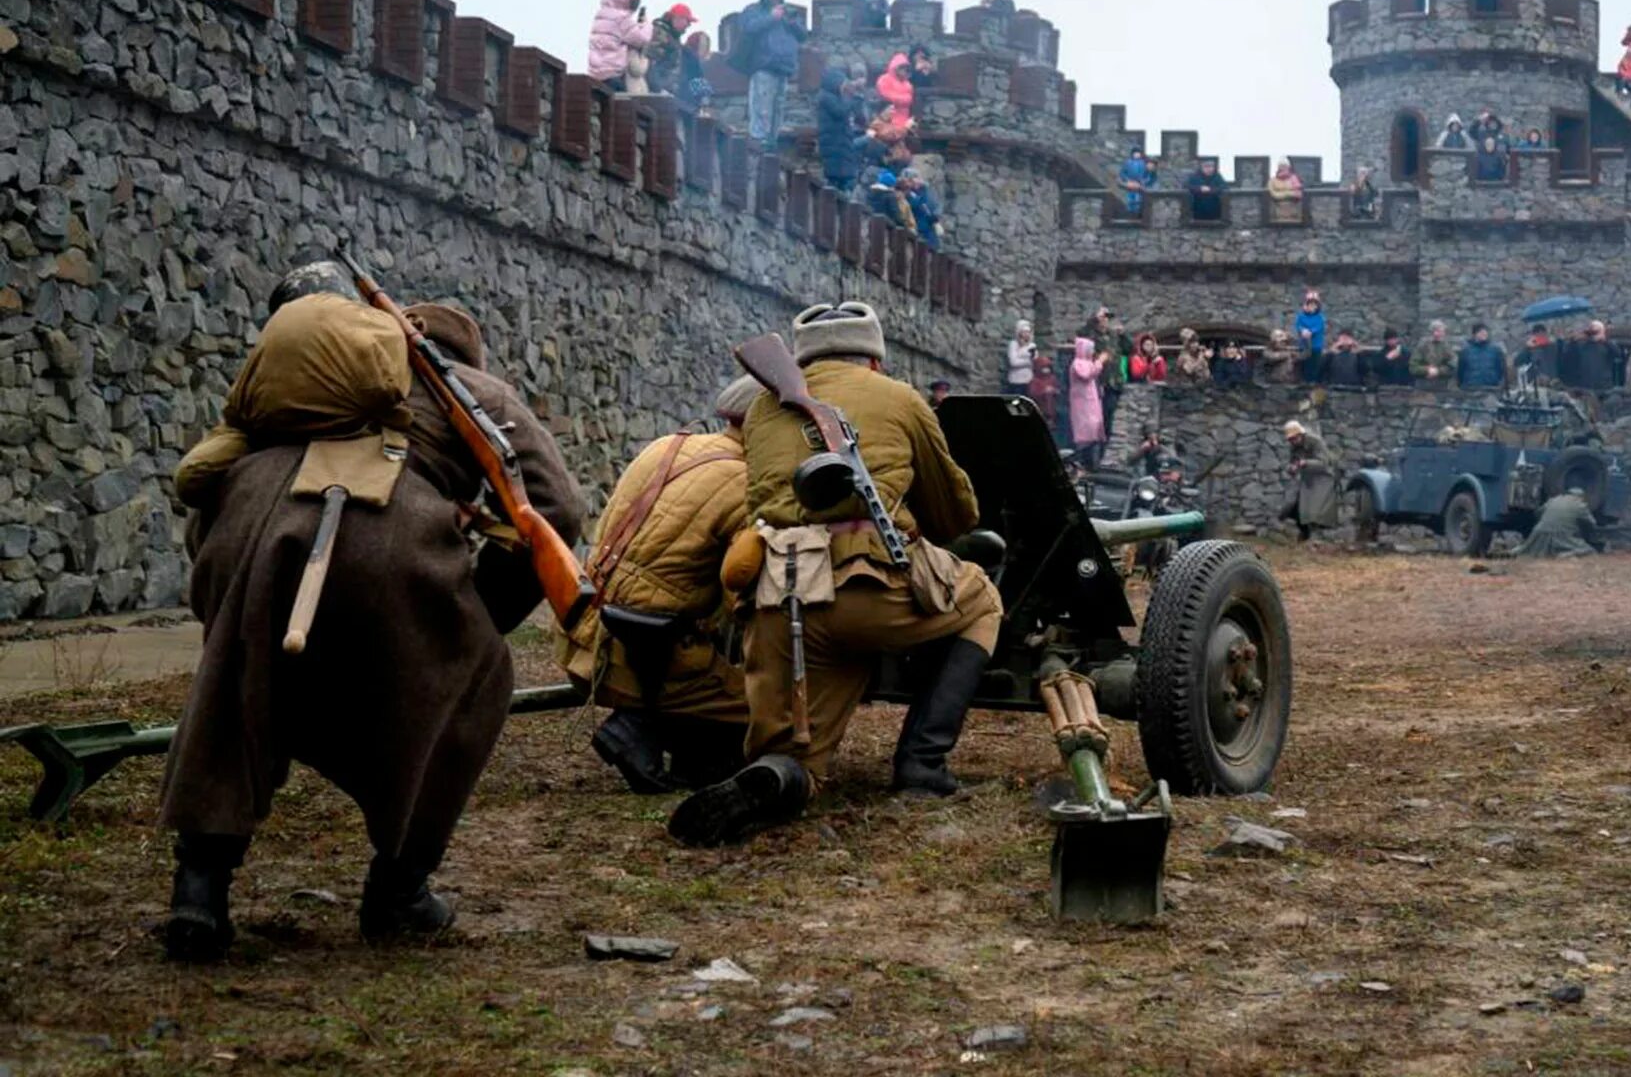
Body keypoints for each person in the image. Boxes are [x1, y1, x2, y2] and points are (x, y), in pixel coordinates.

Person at [158, 264, 585, 961]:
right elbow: (557, 509)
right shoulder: (471, 390)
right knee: (477, 683)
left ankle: (198, 893)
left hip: (250, 531)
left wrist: (225, 585)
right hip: (389, 540)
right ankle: (399, 889)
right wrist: (477, 615)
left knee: (231, 689)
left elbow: (206, 484)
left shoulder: (283, 383)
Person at [668, 304, 1003, 846]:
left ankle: (781, 776)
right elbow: (956, 514)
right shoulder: (900, 398)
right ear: (873, 359)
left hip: (782, 602)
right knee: (982, 599)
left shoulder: (759, 410)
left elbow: (759, 500)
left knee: (796, 758)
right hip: (872, 590)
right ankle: (922, 764)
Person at [561, 377, 761, 796]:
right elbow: (742, 600)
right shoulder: (746, 487)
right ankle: (639, 727)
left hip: (584, 637)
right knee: (772, 703)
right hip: (639, 663)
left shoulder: (668, 444)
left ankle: (672, 741)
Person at [738, 0, 806, 145]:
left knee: (778, 110)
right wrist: (771, 18)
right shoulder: (754, 10)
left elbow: (803, 35)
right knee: (762, 109)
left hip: (783, 68)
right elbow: (748, 28)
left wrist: (791, 22)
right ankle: (758, 143)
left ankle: (771, 143)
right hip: (763, 66)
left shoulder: (788, 13)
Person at [587, 0, 654, 93]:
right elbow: (642, 39)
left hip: (595, 74)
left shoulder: (600, 16)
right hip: (612, 74)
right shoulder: (622, 20)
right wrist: (647, 25)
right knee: (620, 107)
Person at [1280, 421, 1339, 542]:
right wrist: (1292, 468)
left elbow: (1324, 463)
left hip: (1323, 479)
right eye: (1290, 439)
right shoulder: (1295, 447)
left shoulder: (1315, 442)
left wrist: (1306, 463)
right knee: (1296, 508)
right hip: (1308, 479)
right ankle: (1304, 534)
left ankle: (1316, 537)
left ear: (1300, 435)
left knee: (1316, 511)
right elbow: (1292, 462)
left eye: (1293, 438)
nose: (1292, 441)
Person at [1514, 488, 1602, 559]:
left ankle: (1513, 551)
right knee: (1589, 551)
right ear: (1581, 497)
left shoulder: (1553, 500)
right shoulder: (1580, 505)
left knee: (1526, 550)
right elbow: (1592, 523)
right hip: (1562, 536)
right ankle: (1565, 555)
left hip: (1539, 533)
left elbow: (1537, 513)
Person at [817, 68, 866, 193]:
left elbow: (860, 117)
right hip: (833, 142)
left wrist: (857, 97)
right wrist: (852, 97)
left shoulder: (838, 98)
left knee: (844, 178)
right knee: (834, 178)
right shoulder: (826, 97)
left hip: (841, 142)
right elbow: (840, 112)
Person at [1068, 336, 1110, 466]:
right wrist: (1100, 362)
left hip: (1090, 402)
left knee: (1094, 430)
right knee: (1085, 431)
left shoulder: (1087, 362)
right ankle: (1082, 461)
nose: (1092, 352)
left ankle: (1092, 462)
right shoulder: (1078, 363)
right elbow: (1087, 374)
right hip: (1082, 403)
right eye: (1090, 349)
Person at [1562, 321, 1620, 393]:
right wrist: (1574, 339)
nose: (1593, 334)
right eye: (1591, 331)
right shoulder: (1582, 345)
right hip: (1586, 387)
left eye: (1596, 331)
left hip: (1604, 386)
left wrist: (1604, 340)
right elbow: (1568, 357)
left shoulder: (1607, 345)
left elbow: (1618, 353)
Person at [1457, 323, 1507, 389]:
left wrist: (1495, 379)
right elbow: (1461, 369)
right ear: (1475, 334)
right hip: (1471, 387)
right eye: (1481, 332)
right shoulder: (1466, 351)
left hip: (1491, 386)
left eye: (1485, 332)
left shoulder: (1495, 350)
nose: (1484, 334)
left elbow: (1499, 368)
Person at [875, 53, 916, 131]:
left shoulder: (907, 84)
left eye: (906, 68)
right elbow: (885, 94)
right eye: (902, 67)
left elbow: (910, 99)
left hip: (904, 121)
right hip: (888, 119)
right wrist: (903, 99)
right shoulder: (884, 79)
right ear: (896, 67)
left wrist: (903, 99)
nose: (905, 70)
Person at [1294, 288, 1328, 382]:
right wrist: (1302, 330)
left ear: (1317, 306)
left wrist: (1310, 332)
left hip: (1315, 347)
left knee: (1314, 366)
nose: (1312, 306)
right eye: (1310, 304)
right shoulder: (1301, 316)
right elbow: (1298, 326)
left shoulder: (1320, 317)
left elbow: (1318, 327)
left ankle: (1313, 383)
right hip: (1303, 346)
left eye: (1314, 304)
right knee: (1303, 366)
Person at [1410, 320, 1456, 387]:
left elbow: (1453, 364)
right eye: (1440, 331)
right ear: (1433, 332)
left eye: (1443, 332)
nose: (1442, 334)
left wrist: (1438, 371)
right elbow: (1413, 367)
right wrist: (1427, 370)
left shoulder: (1446, 346)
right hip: (1423, 384)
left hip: (1441, 385)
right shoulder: (1422, 346)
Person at [1026, 354, 1061, 430]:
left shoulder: (1052, 378)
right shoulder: (1035, 381)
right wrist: (1043, 391)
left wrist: (1054, 391)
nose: (1046, 370)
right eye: (1043, 368)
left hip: (1052, 405)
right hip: (1040, 405)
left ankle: (1051, 421)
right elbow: (1032, 393)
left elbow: (1058, 390)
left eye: (1047, 367)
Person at [1268, 159, 1305, 223]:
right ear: (1278, 167)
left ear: (1288, 167)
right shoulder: (1272, 181)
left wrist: (1285, 193)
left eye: (1285, 166)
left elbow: (1299, 194)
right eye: (1281, 166)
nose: (1283, 168)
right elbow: (1273, 194)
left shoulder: (1294, 179)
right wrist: (1287, 193)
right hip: (1279, 213)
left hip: (1293, 212)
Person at [1118, 148, 1152, 217]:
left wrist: (1142, 181)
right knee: (1130, 198)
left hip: (1139, 183)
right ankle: (1130, 212)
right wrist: (1127, 180)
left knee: (1138, 198)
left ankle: (1137, 212)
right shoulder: (1128, 162)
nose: (1137, 155)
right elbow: (1122, 173)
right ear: (1133, 154)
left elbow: (1147, 174)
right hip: (1130, 183)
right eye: (1136, 153)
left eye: (1138, 153)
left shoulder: (1143, 163)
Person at [1006, 321, 1037, 394]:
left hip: (1028, 379)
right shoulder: (1013, 344)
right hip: (1015, 380)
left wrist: (1024, 360)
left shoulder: (1032, 345)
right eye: (1024, 332)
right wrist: (1028, 361)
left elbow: (1035, 360)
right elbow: (1013, 362)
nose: (1026, 334)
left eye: (1028, 332)